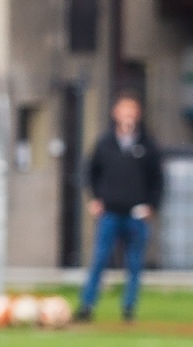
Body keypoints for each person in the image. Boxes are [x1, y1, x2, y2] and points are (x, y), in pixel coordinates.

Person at [76, 92, 163, 324]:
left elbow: (158, 179)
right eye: (124, 112)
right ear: (115, 114)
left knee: (134, 264)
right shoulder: (105, 144)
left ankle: (128, 308)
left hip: (136, 214)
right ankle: (87, 305)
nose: (128, 117)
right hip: (111, 213)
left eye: (132, 112)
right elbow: (90, 173)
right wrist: (94, 199)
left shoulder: (147, 145)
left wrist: (152, 206)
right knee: (100, 260)